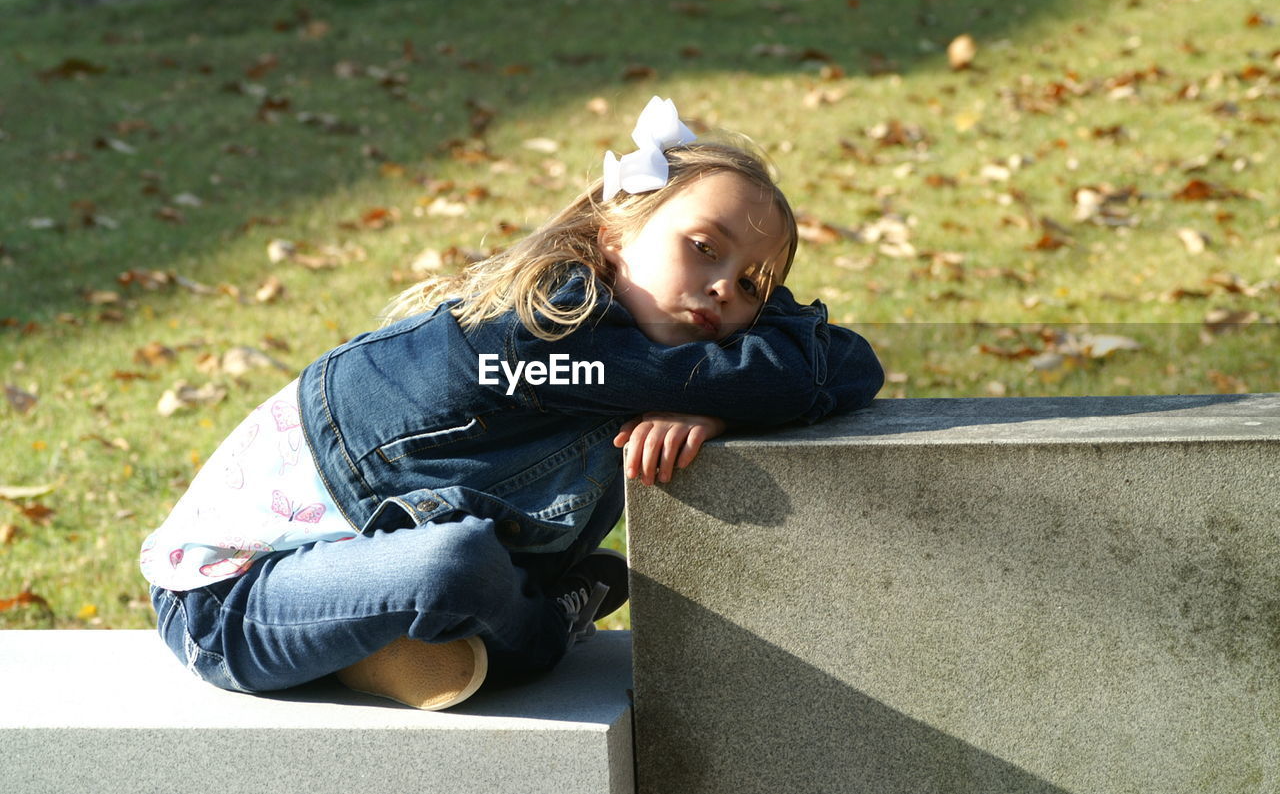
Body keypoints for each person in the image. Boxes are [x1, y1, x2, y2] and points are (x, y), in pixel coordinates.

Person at [140, 96, 884, 710]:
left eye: (753, 285)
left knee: (457, 561)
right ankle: (545, 623)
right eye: (703, 246)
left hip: (345, 566)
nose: (726, 288)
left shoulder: (646, 349)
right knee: (453, 565)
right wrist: (726, 392)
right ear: (613, 233)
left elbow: (849, 361)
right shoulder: (536, 336)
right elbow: (797, 373)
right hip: (225, 600)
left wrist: (716, 406)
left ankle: (395, 651)